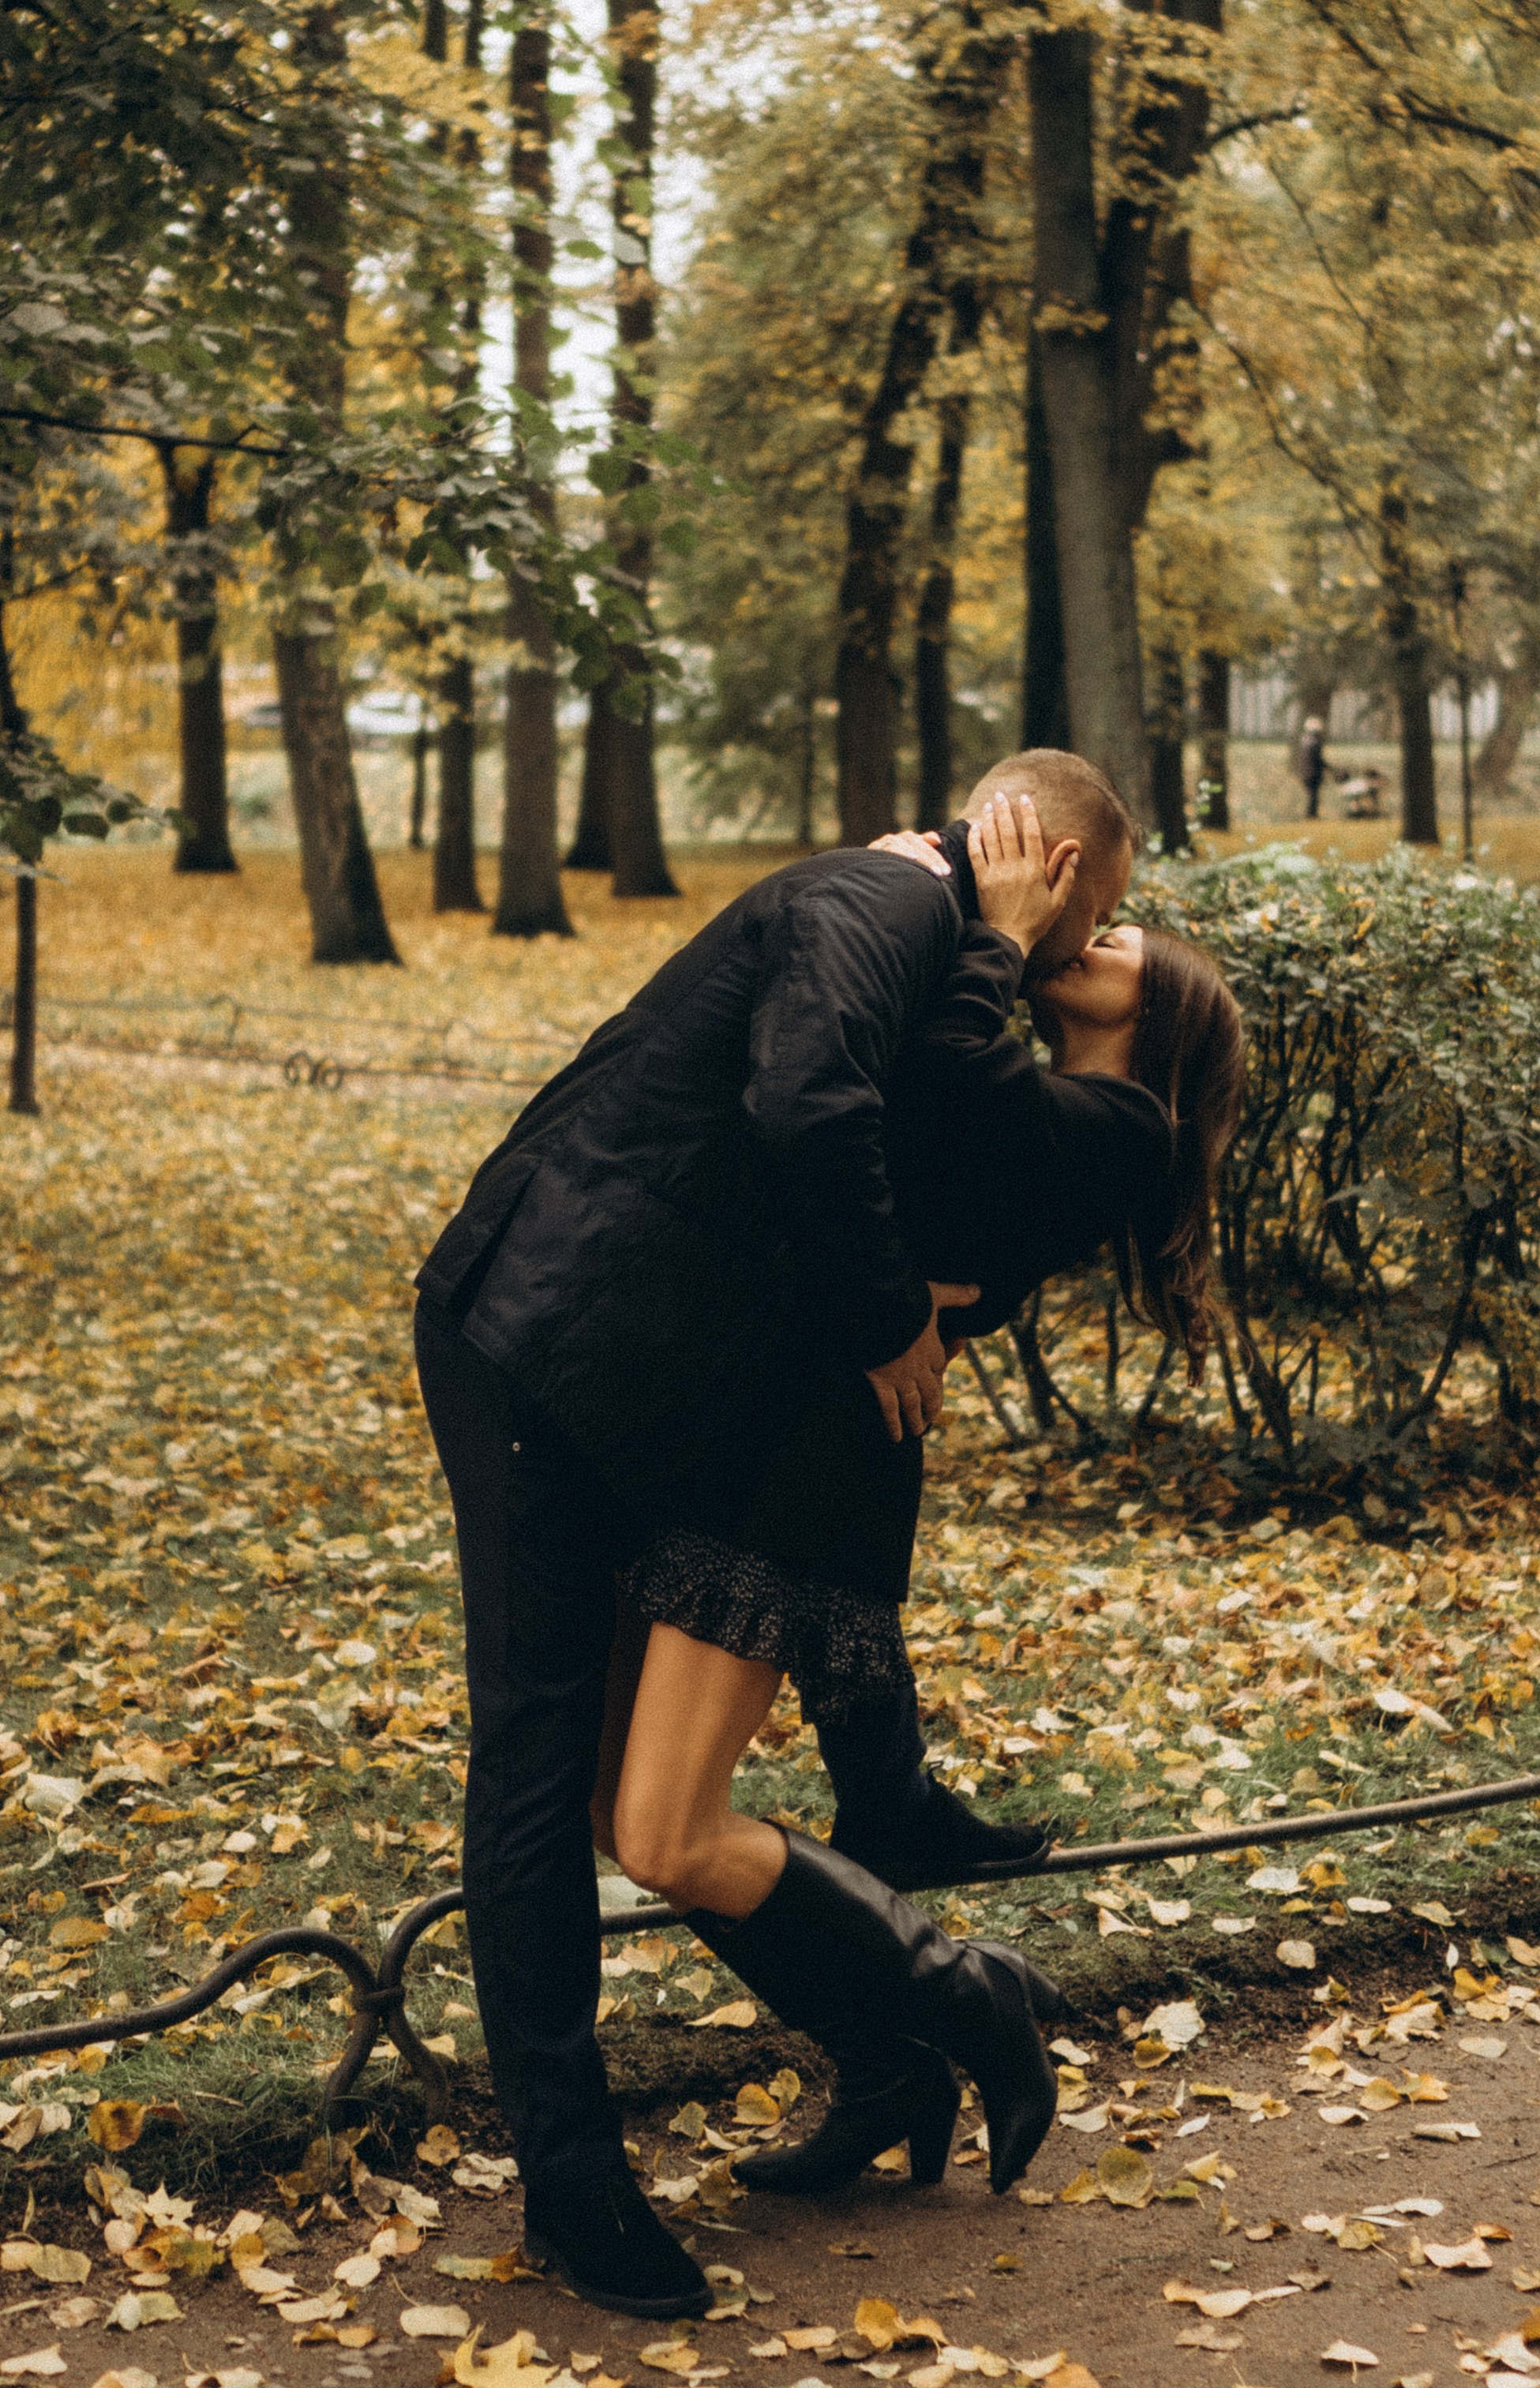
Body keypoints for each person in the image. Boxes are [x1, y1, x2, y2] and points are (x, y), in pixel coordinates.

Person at [413, 752, 1133, 2317]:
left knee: (631, 1802)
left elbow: (944, 1171)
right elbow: (802, 1096)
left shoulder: (931, 952)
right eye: (1100, 915)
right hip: (546, 1342)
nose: (1085, 951)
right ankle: (573, 2189)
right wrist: (887, 1318)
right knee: (536, 1771)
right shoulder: (879, 899)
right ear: (1062, 865)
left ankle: (893, 2045)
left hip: (646, 1390)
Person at [600, 820, 1246, 2199]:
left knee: (665, 1832)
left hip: (810, 1466)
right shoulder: (1054, 1110)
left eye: (1125, 944)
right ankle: (886, 2062)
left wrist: (1000, 931)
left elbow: (949, 1080)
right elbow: (912, 1135)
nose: (1098, 937)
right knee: (632, 1821)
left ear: (1163, 1018)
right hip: (771, 1425)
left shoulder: (1122, 1124)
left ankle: (963, 1995)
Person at [1295, 711, 1332, 819]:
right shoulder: (1315, 743)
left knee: (1312, 795)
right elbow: (1318, 760)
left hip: (1305, 772)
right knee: (1313, 795)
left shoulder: (1304, 741)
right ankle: (1311, 815)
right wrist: (1329, 768)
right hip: (1313, 773)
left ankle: (1311, 815)